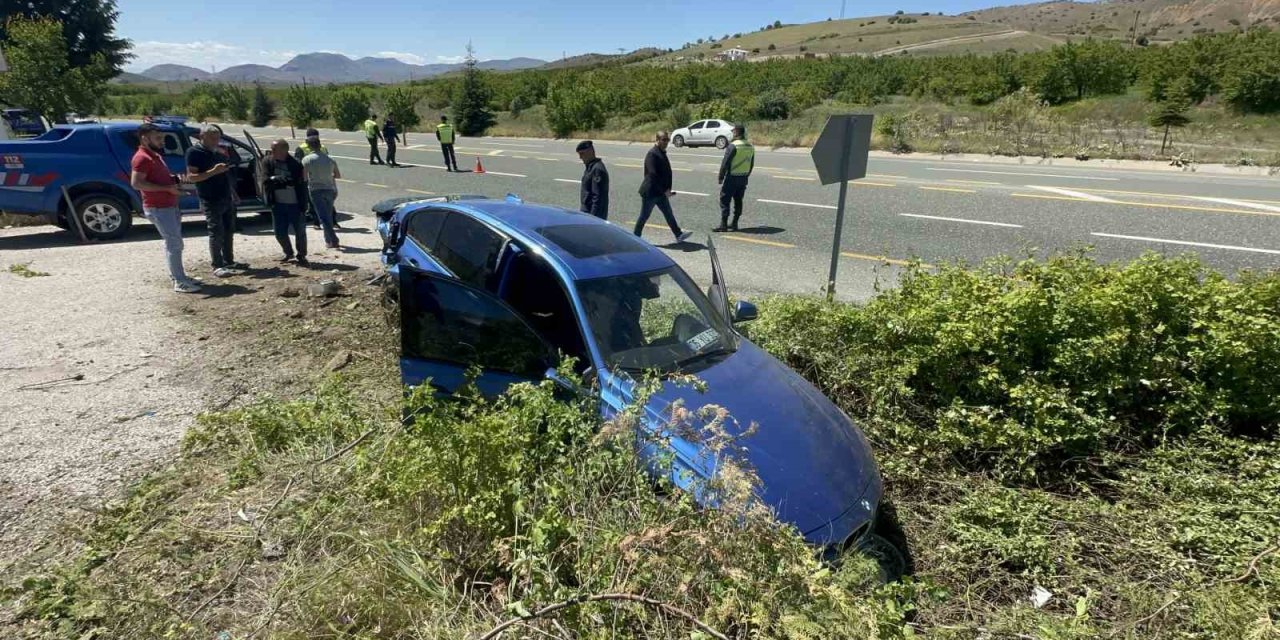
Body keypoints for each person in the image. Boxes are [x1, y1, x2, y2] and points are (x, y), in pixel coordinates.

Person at [130, 123, 200, 293]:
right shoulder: (142, 158)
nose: (162, 141)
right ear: (145, 138)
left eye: (162, 138)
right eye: (158, 138)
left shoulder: (155, 155)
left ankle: (180, 275)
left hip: (169, 205)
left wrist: (175, 180)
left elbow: (159, 178)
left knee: (175, 243)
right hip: (159, 208)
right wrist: (167, 189)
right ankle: (179, 281)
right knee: (174, 244)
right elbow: (136, 183)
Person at [185, 124, 244, 277]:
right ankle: (217, 265)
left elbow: (224, 174)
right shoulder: (194, 152)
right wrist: (213, 171)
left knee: (229, 230)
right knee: (216, 231)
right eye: (212, 138)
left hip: (225, 195)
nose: (216, 141)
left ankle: (229, 260)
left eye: (217, 138)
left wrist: (233, 193)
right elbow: (192, 177)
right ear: (202, 136)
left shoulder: (218, 151)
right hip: (210, 197)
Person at [636, 131, 692, 243]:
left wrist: (668, 190)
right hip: (651, 192)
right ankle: (635, 238)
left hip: (660, 193)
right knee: (644, 216)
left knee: (668, 213)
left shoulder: (661, 152)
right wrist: (663, 190)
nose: (666, 142)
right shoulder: (652, 154)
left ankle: (678, 234)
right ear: (657, 139)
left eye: (667, 140)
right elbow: (652, 175)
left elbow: (666, 173)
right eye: (664, 140)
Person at [263, 139, 309, 266]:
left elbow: (302, 184)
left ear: (284, 150)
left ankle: (301, 255)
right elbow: (265, 179)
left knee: (300, 232)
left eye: (274, 149)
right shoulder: (268, 161)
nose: (271, 151)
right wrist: (275, 179)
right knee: (279, 232)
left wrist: (304, 203)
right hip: (278, 204)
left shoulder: (296, 164)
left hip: (295, 203)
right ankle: (288, 252)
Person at [301, 135, 342, 249]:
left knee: (323, 216)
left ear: (309, 146)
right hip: (330, 188)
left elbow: (304, 178)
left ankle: (333, 239)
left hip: (316, 189)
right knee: (327, 215)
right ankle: (328, 240)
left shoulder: (307, 160)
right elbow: (337, 175)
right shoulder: (330, 159)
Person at [715, 124, 755, 232]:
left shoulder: (733, 145)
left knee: (725, 199)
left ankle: (723, 225)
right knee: (738, 201)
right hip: (743, 178)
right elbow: (751, 164)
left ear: (737, 132)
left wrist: (720, 177)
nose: (732, 133)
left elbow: (725, 163)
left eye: (733, 131)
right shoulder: (750, 146)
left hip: (732, 177)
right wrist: (746, 175)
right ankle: (735, 223)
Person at [294, 129, 333, 230]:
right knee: (315, 202)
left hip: (321, 178)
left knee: (323, 202)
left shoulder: (322, 147)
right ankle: (318, 222)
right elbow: (298, 164)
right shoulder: (301, 148)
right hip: (313, 178)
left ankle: (328, 221)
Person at [576, 140, 609, 220]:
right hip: (587, 213)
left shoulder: (597, 169)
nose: (580, 157)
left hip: (593, 215)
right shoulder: (590, 167)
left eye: (582, 154)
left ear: (590, 152)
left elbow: (597, 197)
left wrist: (592, 219)